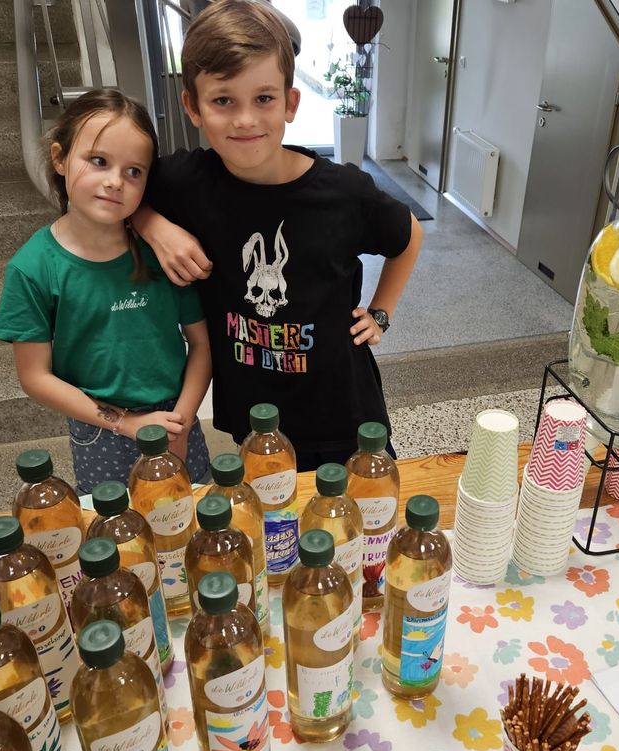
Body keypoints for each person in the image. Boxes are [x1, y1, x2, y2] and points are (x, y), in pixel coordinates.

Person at [131, 0, 423, 470]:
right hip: (255, 422)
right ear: (193, 107)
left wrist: (381, 313)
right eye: (223, 100)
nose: (245, 119)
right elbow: (110, 197)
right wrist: (152, 225)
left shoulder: (344, 192)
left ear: (289, 103)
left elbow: (408, 235)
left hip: (344, 416)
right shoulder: (184, 182)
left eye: (263, 98)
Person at [0, 89, 212, 494]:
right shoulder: (33, 267)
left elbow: (201, 344)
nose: (115, 182)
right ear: (60, 158)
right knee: (118, 540)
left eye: (134, 171)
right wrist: (124, 423)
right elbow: (35, 376)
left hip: (176, 419)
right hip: (100, 427)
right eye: (98, 161)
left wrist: (181, 421)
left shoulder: (161, 253)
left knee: (190, 520)